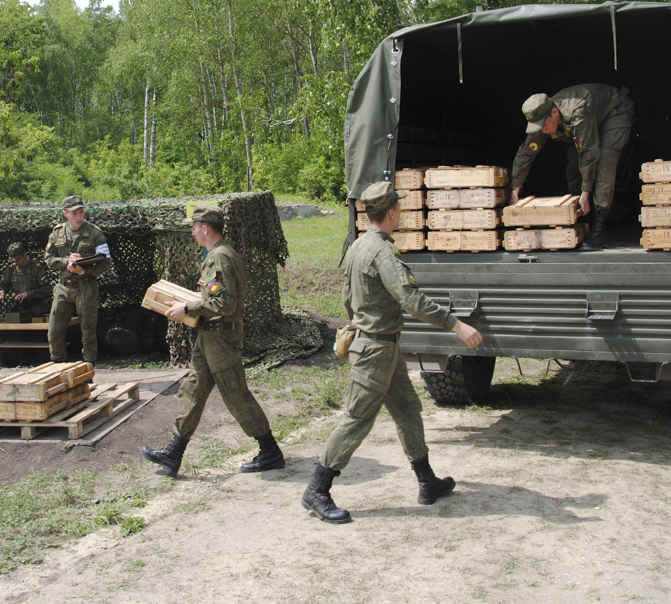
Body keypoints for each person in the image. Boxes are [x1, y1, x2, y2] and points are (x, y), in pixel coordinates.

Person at [302, 181, 484, 525]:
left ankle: (426, 481)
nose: (401, 211)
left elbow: (346, 295)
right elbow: (411, 299)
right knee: (357, 419)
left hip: (382, 348)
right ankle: (317, 489)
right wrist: (456, 325)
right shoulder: (382, 253)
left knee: (408, 410)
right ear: (390, 212)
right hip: (375, 350)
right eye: (399, 207)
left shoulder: (358, 246)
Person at [140, 203, 284, 479]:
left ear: (205, 228)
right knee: (192, 390)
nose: (192, 233)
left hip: (222, 340)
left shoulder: (220, 258)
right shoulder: (217, 256)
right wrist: (197, 301)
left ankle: (270, 451)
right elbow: (216, 297)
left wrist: (189, 308)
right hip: (209, 338)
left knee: (236, 396)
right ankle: (174, 453)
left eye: (194, 227)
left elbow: (226, 303)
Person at [510, 84, 635, 252]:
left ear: (554, 112)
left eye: (544, 125)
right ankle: (582, 217)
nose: (543, 130)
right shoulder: (542, 115)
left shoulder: (578, 110)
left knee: (605, 163)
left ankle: (599, 229)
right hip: (591, 121)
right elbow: (527, 152)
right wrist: (515, 187)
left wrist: (586, 192)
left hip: (614, 112)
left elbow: (589, 153)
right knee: (573, 167)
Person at [43, 195, 112, 365]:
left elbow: (107, 263)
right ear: (65, 213)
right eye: (74, 213)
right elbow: (49, 260)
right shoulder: (57, 233)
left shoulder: (94, 233)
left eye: (81, 212)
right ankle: (57, 366)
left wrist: (83, 270)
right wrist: (67, 262)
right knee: (54, 331)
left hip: (86, 287)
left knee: (88, 331)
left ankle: (88, 369)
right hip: (63, 287)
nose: (79, 217)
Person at [0, 242, 50, 321]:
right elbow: (4, 284)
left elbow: (46, 289)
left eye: (17, 259)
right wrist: (2, 291)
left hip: (36, 308)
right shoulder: (12, 269)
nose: (16, 262)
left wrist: (28, 294)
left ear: (24, 254)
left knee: (38, 331)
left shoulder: (36, 267)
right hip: (19, 308)